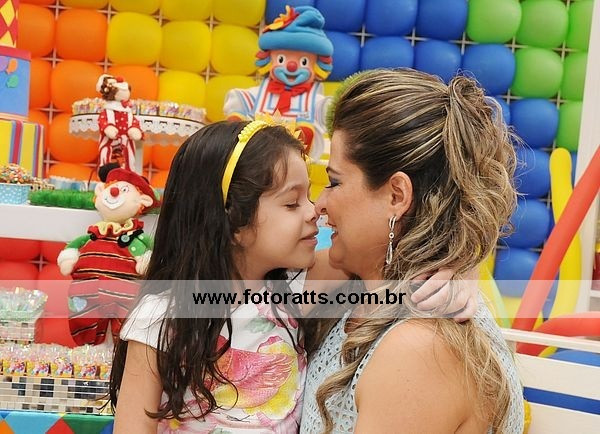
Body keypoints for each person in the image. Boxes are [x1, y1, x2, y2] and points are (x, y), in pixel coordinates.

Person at [109, 120, 478, 432]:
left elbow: (401, 261)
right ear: (233, 222)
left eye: (310, 196)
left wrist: (459, 272)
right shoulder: (160, 317)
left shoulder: (296, 286)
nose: (313, 211)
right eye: (291, 203)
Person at [301, 69, 524, 433]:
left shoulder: (420, 348)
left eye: (334, 182)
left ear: (397, 196)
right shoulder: (362, 286)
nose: (319, 204)